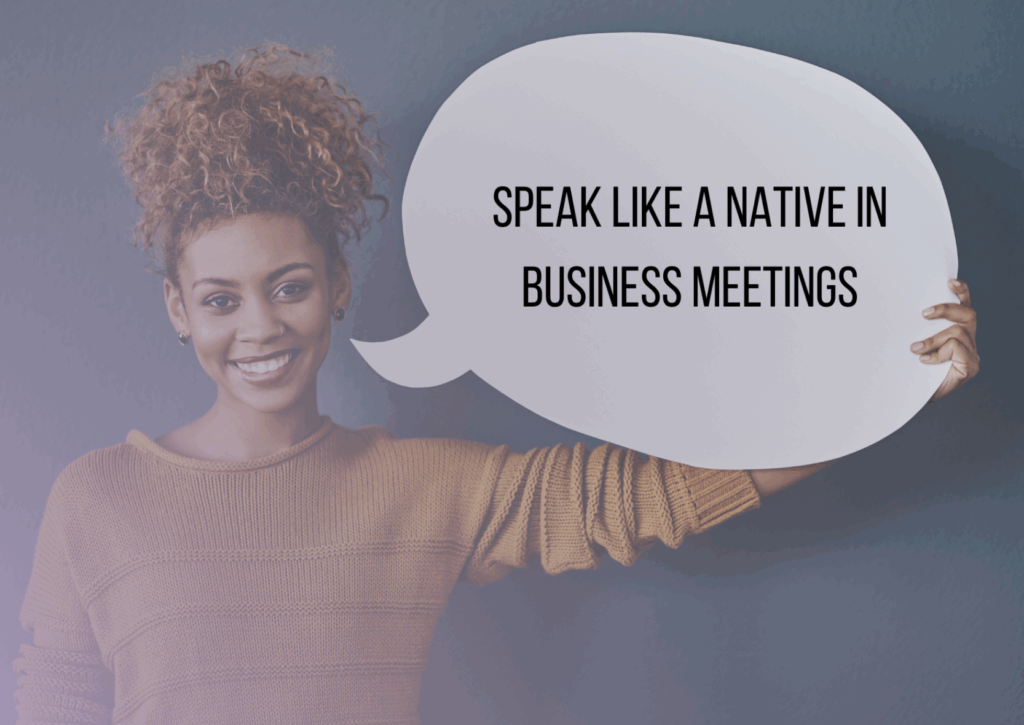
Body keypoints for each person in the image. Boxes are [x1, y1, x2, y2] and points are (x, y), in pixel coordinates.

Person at [12, 46, 980, 725]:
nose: (258, 326)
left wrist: (886, 382)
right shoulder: (97, 497)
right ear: (179, 309)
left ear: (336, 287)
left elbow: (657, 494)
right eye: (220, 299)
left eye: (289, 286)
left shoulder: (429, 485)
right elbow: (53, 703)